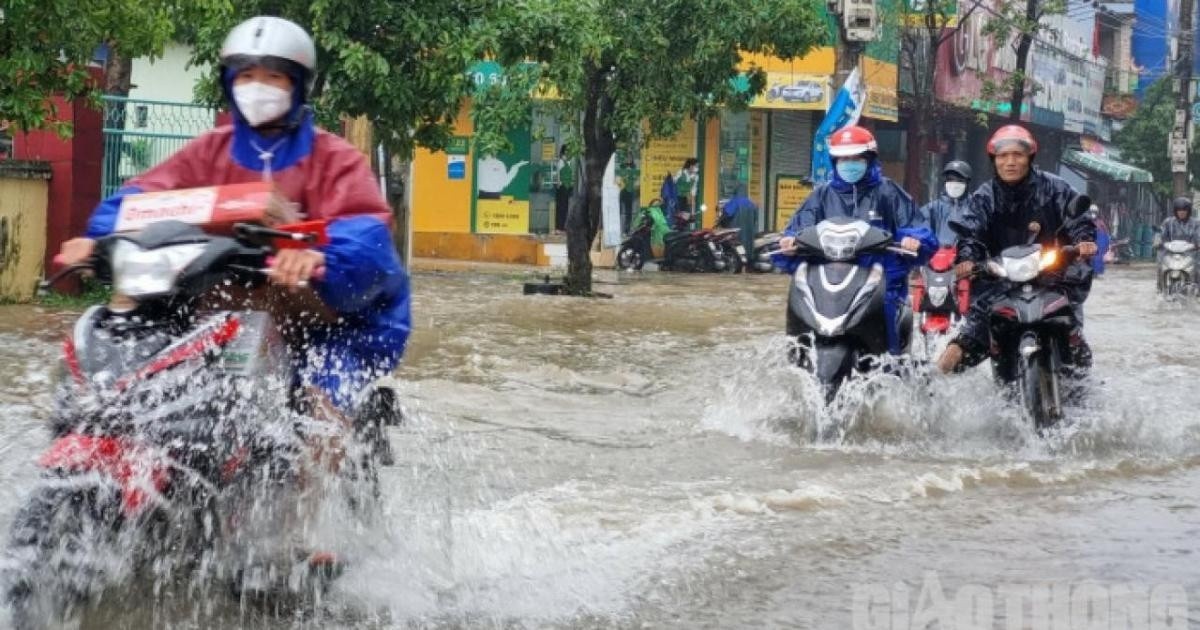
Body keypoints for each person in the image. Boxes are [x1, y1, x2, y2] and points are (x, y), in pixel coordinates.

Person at [55, 16, 411, 415]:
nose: (258, 87)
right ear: (229, 82)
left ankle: (323, 467)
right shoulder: (207, 151)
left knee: (319, 411)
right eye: (246, 76)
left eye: (274, 77)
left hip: (340, 322)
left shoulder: (337, 159)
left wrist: (322, 258)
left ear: (297, 85)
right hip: (227, 301)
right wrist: (99, 238)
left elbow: (368, 233)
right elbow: (142, 198)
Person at [936, 124, 1098, 374]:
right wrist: (968, 259)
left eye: (1017, 155)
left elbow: (1078, 219)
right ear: (994, 160)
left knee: (1074, 339)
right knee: (951, 358)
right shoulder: (984, 197)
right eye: (1003, 156)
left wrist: (1083, 241)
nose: (1010, 162)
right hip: (1001, 281)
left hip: (1052, 278)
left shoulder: (1055, 188)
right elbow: (970, 233)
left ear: (1030, 158)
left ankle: (1080, 383)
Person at [774, 125, 935, 355]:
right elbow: (798, 228)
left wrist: (912, 239)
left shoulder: (887, 192)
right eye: (843, 158)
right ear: (834, 162)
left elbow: (919, 229)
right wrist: (789, 243)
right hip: (828, 281)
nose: (849, 163)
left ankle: (892, 366)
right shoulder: (821, 195)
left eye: (856, 158)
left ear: (868, 159)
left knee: (888, 316)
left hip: (880, 280)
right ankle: (799, 361)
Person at [919, 160, 973, 247]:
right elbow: (919, 228)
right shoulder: (933, 207)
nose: (954, 184)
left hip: (966, 257)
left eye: (959, 180)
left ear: (967, 182)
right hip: (936, 257)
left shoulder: (975, 208)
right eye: (950, 180)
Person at [1155, 196, 1200, 288]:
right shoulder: (1168, 222)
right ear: (1175, 211)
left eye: (1184, 210)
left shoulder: (1196, 223)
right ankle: (1160, 287)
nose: (1182, 212)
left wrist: (1198, 244)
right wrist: (1158, 241)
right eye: (1179, 210)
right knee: (1160, 266)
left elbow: (1198, 235)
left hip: (1191, 254)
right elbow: (1161, 233)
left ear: (1189, 211)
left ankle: (1197, 289)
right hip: (1170, 253)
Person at [717, 183, 758, 255]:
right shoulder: (752, 204)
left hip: (736, 235)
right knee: (747, 253)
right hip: (749, 235)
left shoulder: (734, 202)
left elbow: (726, 215)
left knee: (736, 254)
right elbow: (755, 220)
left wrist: (720, 222)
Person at [616, 156, 640, 235]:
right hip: (621, 191)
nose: (628, 159)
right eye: (627, 157)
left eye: (630, 157)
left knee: (628, 212)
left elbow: (637, 181)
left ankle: (626, 230)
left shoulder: (634, 169)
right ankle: (617, 230)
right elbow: (617, 180)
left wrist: (635, 185)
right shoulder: (620, 168)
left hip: (630, 192)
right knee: (618, 211)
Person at [554, 145, 574, 232]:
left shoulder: (568, 162)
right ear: (563, 153)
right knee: (561, 208)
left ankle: (563, 226)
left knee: (565, 208)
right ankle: (559, 227)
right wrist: (559, 184)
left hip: (568, 187)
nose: (568, 154)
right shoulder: (560, 162)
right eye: (566, 152)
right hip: (562, 187)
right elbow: (558, 176)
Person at [674, 158, 699, 226]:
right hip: (677, 199)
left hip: (687, 199)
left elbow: (693, 193)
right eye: (696, 166)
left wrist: (693, 212)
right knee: (677, 220)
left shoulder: (695, 177)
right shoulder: (680, 173)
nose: (697, 168)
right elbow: (672, 184)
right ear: (691, 166)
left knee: (685, 220)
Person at [1091, 205, 1110, 278]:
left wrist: (1107, 242)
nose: (1093, 214)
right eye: (1091, 212)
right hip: (1093, 240)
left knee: (1097, 258)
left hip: (1100, 240)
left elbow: (1106, 232)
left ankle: (1096, 273)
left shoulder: (1100, 222)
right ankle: (1092, 272)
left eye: (1094, 212)